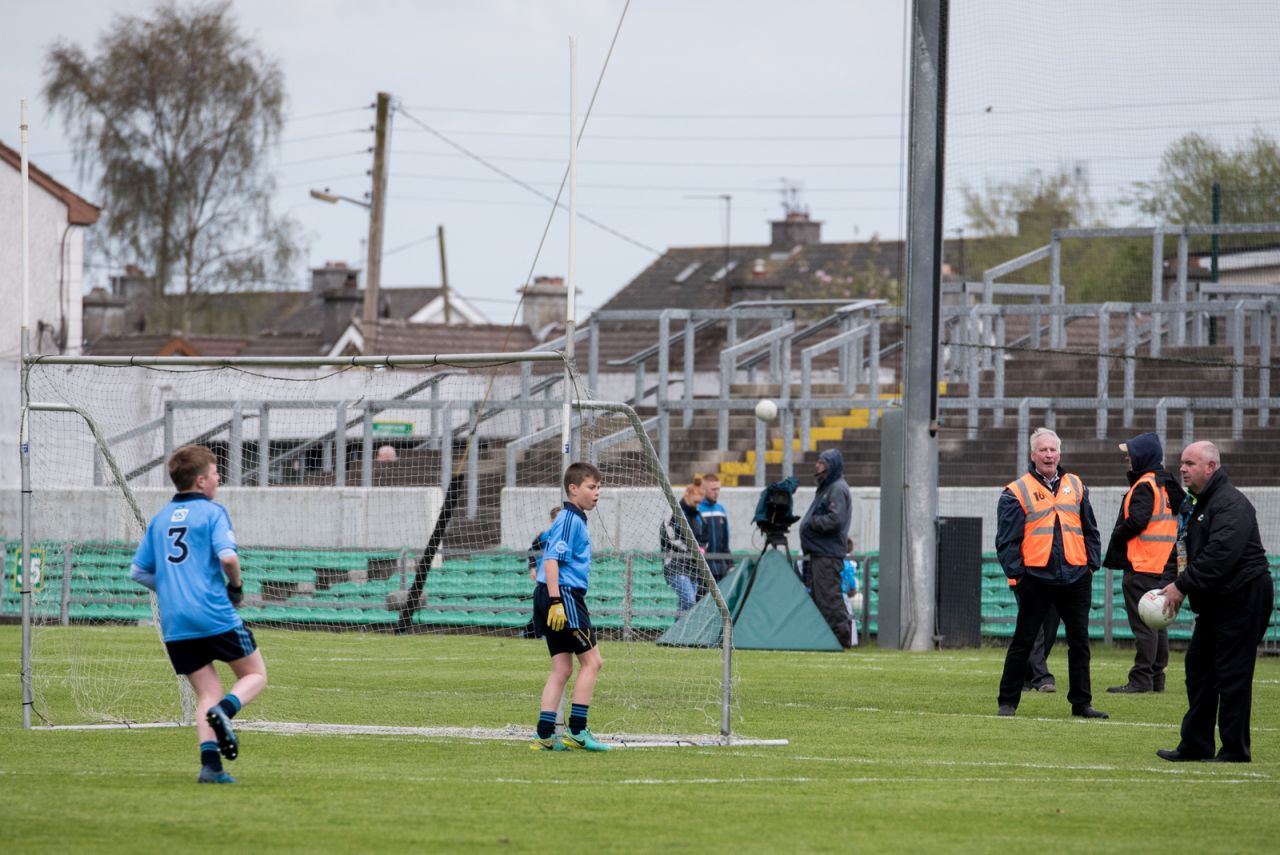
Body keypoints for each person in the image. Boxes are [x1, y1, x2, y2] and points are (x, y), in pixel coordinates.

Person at [129, 445, 268, 784]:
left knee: (207, 692)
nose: (219, 478)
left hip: (175, 621)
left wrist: (172, 588)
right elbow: (228, 558)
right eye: (216, 472)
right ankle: (227, 712)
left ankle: (211, 767)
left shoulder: (160, 519)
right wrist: (236, 587)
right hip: (212, 612)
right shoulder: (212, 512)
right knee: (255, 675)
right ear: (202, 480)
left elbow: (138, 571)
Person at [1156, 441, 1274, 763]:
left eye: (1190, 463)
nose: (1182, 469)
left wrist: (1182, 587)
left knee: (1232, 674)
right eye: (1182, 463)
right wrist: (1169, 584)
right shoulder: (1197, 505)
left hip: (1244, 596)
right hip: (1217, 599)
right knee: (1199, 670)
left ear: (1211, 467)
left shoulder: (1231, 503)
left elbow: (1220, 556)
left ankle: (1235, 750)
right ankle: (1196, 745)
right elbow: (1184, 550)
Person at [995, 428, 1107, 719]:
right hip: (1036, 578)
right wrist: (1019, 574)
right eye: (1043, 450)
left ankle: (1082, 704)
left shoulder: (1077, 485)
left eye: (1053, 450)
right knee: (1023, 641)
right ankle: (1007, 702)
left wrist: (1090, 564)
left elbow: (1090, 529)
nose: (1048, 455)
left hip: (1075, 576)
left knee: (1080, 644)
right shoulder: (1016, 491)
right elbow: (1006, 541)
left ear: (1060, 453)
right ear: (1032, 455)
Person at [530, 461, 611, 752]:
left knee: (562, 669)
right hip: (562, 595)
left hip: (551, 594)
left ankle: (544, 736)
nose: (597, 492)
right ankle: (577, 731)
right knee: (593, 662)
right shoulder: (569, 519)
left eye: (599, 487)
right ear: (573, 489)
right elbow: (551, 560)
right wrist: (556, 602)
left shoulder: (574, 518)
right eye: (592, 487)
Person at [1103, 432, 1184, 694]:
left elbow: (1138, 520)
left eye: (1131, 453)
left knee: (1144, 625)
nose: (1127, 458)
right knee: (1157, 623)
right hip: (1164, 565)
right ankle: (1156, 678)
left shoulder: (1145, 485)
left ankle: (1140, 679)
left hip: (1143, 564)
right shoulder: (1167, 483)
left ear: (1143, 456)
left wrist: (1118, 534)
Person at [799, 448, 853, 648]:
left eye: (822, 463)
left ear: (831, 466)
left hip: (828, 554)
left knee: (830, 599)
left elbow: (835, 520)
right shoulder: (827, 487)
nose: (817, 465)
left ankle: (841, 639)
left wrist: (812, 523)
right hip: (819, 553)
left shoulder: (837, 488)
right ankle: (826, 640)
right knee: (820, 599)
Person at [660, 479, 707, 614]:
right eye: (695, 502)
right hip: (674, 565)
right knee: (689, 601)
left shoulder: (699, 517)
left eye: (699, 502)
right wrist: (690, 548)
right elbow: (667, 535)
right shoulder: (673, 513)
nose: (697, 505)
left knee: (686, 607)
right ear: (687, 494)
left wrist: (701, 549)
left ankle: (677, 633)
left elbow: (705, 537)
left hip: (693, 567)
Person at [1007, 575, 1060, 693]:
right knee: (1035, 631)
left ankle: (1025, 678)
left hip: (1055, 580)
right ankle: (1042, 678)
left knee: (1049, 633)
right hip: (1025, 578)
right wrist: (1017, 572)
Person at [521, 506, 562, 639]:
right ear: (551, 520)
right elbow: (531, 550)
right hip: (545, 579)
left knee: (549, 607)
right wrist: (532, 568)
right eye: (556, 518)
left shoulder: (565, 535)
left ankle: (530, 633)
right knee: (547, 606)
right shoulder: (545, 537)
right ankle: (533, 633)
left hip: (560, 579)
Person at [697, 473, 733, 582]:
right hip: (701, 570)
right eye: (713, 489)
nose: (716, 492)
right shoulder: (696, 509)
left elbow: (725, 540)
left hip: (720, 569)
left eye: (718, 489)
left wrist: (729, 564)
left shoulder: (720, 509)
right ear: (703, 489)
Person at [840, 538, 860, 647]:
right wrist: (853, 589)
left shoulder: (834, 559)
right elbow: (851, 582)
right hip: (843, 593)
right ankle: (851, 640)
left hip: (830, 592)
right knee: (849, 616)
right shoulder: (848, 563)